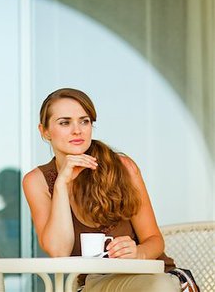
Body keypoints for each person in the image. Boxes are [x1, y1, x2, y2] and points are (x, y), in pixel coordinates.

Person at [22, 88, 199, 292]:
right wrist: (62, 185)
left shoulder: (122, 167)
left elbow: (155, 240)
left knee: (159, 286)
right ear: (44, 131)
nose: (77, 130)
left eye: (84, 121)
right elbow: (59, 251)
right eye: (64, 122)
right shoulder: (37, 181)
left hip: (150, 277)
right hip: (96, 284)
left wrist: (137, 253)